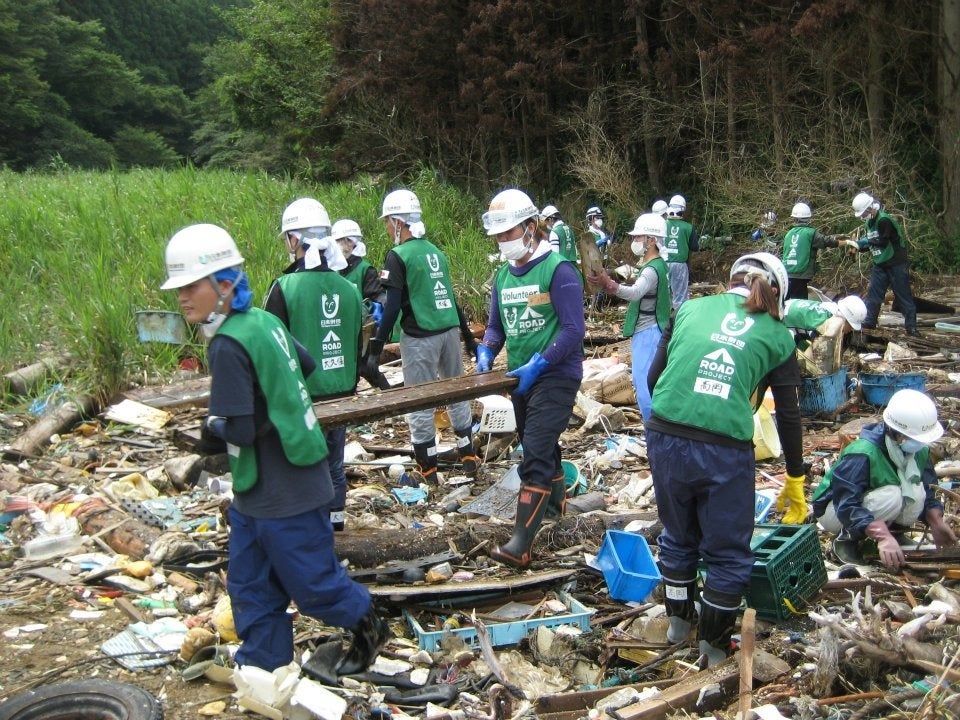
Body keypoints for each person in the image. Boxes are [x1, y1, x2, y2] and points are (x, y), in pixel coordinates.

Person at [160, 223, 388, 674]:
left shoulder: (228, 344)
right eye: (179, 288)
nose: (182, 297)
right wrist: (273, 401)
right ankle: (262, 668)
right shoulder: (263, 323)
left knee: (313, 584)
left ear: (225, 285)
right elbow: (307, 363)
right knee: (250, 586)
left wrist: (209, 429)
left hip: (285, 492)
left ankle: (369, 624)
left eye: (191, 286)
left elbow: (239, 432)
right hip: (262, 490)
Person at [645, 251, 805, 667]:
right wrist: (795, 476)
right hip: (722, 448)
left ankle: (678, 627)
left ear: (731, 278)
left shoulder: (689, 308)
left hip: (664, 434)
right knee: (728, 552)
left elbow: (653, 378)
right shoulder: (779, 336)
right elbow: (788, 414)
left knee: (678, 535)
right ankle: (713, 651)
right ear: (776, 293)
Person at [476, 189, 586, 568]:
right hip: (519, 378)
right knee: (539, 442)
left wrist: (540, 363)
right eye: (498, 236)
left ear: (530, 226)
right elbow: (496, 326)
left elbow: (573, 330)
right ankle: (554, 512)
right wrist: (487, 349)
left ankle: (520, 545)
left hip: (556, 375)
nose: (502, 241)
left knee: (534, 451)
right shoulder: (503, 275)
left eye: (508, 233)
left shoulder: (559, 270)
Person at [367, 189, 480, 480]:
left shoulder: (397, 256)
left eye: (387, 222)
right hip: (449, 331)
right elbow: (451, 297)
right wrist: (468, 336)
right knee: (456, 393)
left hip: (420, 337)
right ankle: (468, 456)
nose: (386, 227)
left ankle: (428, 470)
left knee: (419, 401)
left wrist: (377, 345)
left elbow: (392, 306)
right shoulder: (436, 252)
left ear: (397, 222)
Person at [264, 198, 362, 532]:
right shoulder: (348, 289)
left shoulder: (284, 287)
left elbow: (273, 351)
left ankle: (310, 527)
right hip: (342, 392)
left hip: (303, 397)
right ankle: (336, 522)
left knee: (303, 466)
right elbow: (355, 345)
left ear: (294, 239)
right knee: (334, 464)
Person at [812, 389, 957, 568]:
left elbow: (928, 489)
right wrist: (881, 534)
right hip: (834, 509)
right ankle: (846, 540)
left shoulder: (920, 451)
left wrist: (935, 519)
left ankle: (895, 534)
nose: (919, 443)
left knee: (916, 490)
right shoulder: (863, 452)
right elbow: (846, 502)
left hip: (866, 506)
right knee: (893, 494)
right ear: (896, 432)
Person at [587, 213, 671, 423]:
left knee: (644, 386)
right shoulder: (659, 265)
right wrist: (610, 283)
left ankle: (653, 429)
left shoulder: (651, 270)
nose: (634, 241)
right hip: (653, 330)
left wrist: (608, 284)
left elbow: (635, 293)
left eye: (638, 237)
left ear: (652, 240)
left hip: (648, 333)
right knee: (650, 382)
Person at [332, 218, 392, 390]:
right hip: (340, 327)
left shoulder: (365, 269)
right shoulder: (334, 270)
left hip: (362, 329)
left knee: (365, 367)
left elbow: (378, 295)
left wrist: (381, 305)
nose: (338, 246)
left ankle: (390, 395)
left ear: (351, 242)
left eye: (341, 241)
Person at [847, 192, 919, 336]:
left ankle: (911, 327)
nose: (862, 216)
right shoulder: (869, 223)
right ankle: (869, 322)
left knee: (903, 295)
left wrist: (864, 241)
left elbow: (882, 241)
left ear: (869, 208)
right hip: (880, 264)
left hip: (896, 263)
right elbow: (872, 244)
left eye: (863, 213)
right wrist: (859, 246)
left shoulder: (884, 220)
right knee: (873, 294)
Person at [783, 295, 867, 375]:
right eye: (851, 326)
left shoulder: (832, 309)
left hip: (788, 308)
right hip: (783, 321)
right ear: (846, 319)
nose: (851, 329)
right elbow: (810, 358)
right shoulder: (828, 326)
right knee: (796, 368)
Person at [781, 202, 841, 301]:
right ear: (808, 218)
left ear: (794, 218)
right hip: (801, 273)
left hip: (786, 272)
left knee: (785, 301)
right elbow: (826, 241)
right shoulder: (810, 233)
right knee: (800, 302)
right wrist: (843, 242)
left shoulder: (789, 233)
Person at [664, 194, 699, 308]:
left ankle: (666, 316)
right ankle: (679, 316)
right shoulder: (688, 227)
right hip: (679, 265)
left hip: (663, 263)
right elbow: (694, 247)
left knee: (664, 295)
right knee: (680, 297)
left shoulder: (662, 225)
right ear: (683, 210)